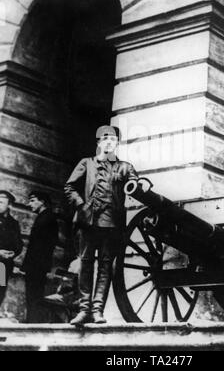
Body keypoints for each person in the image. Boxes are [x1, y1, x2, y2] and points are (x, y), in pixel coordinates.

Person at [65, 125, 138, 326]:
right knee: (86, 265)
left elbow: (134, 182)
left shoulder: (125, 167)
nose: (109, 141)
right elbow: (69, 187)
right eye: (105, 138)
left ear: (117, 143)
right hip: (87, 222)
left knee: (105, 267)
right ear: (98, 142)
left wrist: (132, 185)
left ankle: (98, 310)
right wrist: (80, 204)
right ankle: (84, 309)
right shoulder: (86, 163)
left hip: (111, 224)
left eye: (113, 139)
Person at [22, 191, 59, 323]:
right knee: (33, 297)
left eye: (32, 200)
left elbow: (45, 246)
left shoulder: (47, 219)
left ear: (42, 201)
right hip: (37, 265)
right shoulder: (44, 217)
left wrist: (33, 265)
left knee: (34, 297)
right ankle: (32, 322)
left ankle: (33, 324)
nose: (29, 204)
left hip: (37, 266)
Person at [0, 191, 23, 307]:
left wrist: (13, 253)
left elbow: (19, 244)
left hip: (3, 265)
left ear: (9, 205)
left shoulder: (13, 223)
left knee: (0, 290)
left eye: (1, 202)